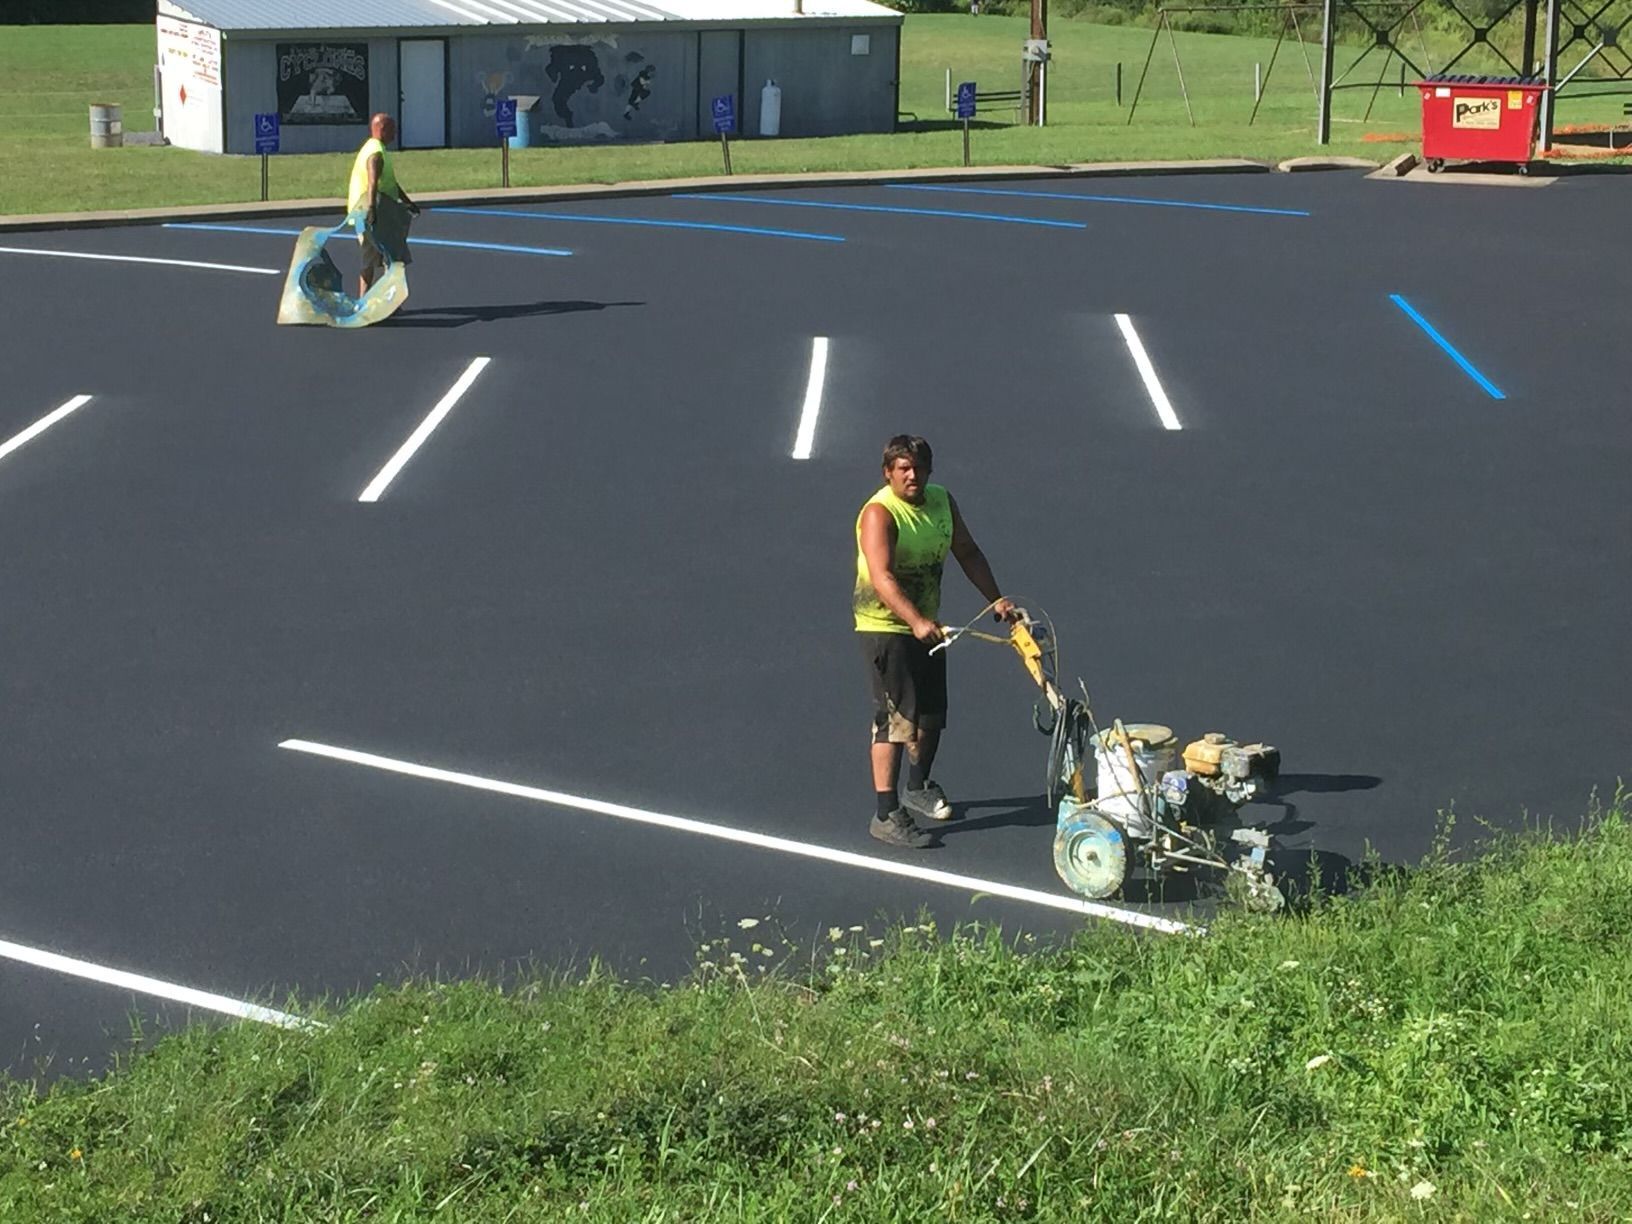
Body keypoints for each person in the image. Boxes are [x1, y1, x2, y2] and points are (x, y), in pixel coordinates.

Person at [854, 435, 1017, 848]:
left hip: (926, 624)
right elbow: (882, 577)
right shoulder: (880, 513)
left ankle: (918, 786)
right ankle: (886, 813)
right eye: (903, 468)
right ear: (888, 472)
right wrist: (915, 620)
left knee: (931, 715)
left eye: (919, 468)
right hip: (886, 627)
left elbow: (967, 551)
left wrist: (995, 598)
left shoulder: (942, 501)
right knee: (894, 721)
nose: (912, 475)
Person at [347, 112, 419, 298]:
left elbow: (391, 183)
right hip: (376, 211)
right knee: (392, 257)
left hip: (362, 212)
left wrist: (407, 201)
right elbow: (373, 182)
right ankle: (391, 302)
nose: (395, 134)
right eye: (393, 130)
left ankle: (363, 299)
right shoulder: (375, 154)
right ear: (382, 129)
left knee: (368, 258)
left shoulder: (371, 147)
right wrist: (372, 210)